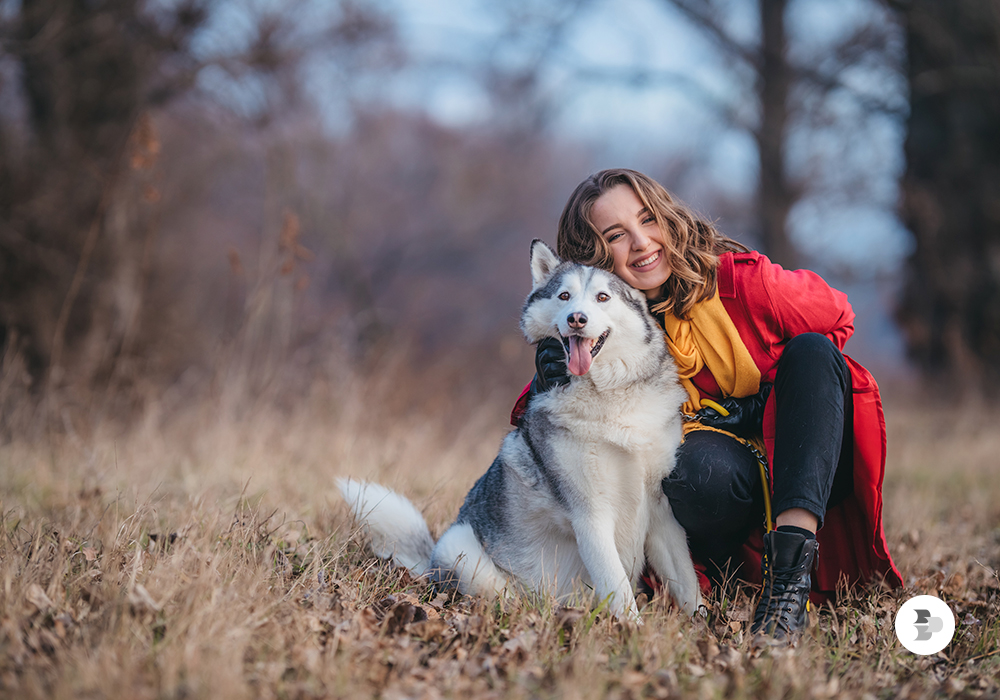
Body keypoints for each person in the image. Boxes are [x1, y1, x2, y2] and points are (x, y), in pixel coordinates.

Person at [510, 168, 902, 644]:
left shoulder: (742, 283)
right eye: (617, 235)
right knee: (689, 467)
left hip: (803, 466)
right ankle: (722, 579)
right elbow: (547, 440)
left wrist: (768, 399)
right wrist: (553, 366)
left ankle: (786, 589)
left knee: (814, 351)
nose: (641, 243)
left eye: (648, 219)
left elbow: (839, 319)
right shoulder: (610, 329)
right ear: (595, 255)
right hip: (716, 490)